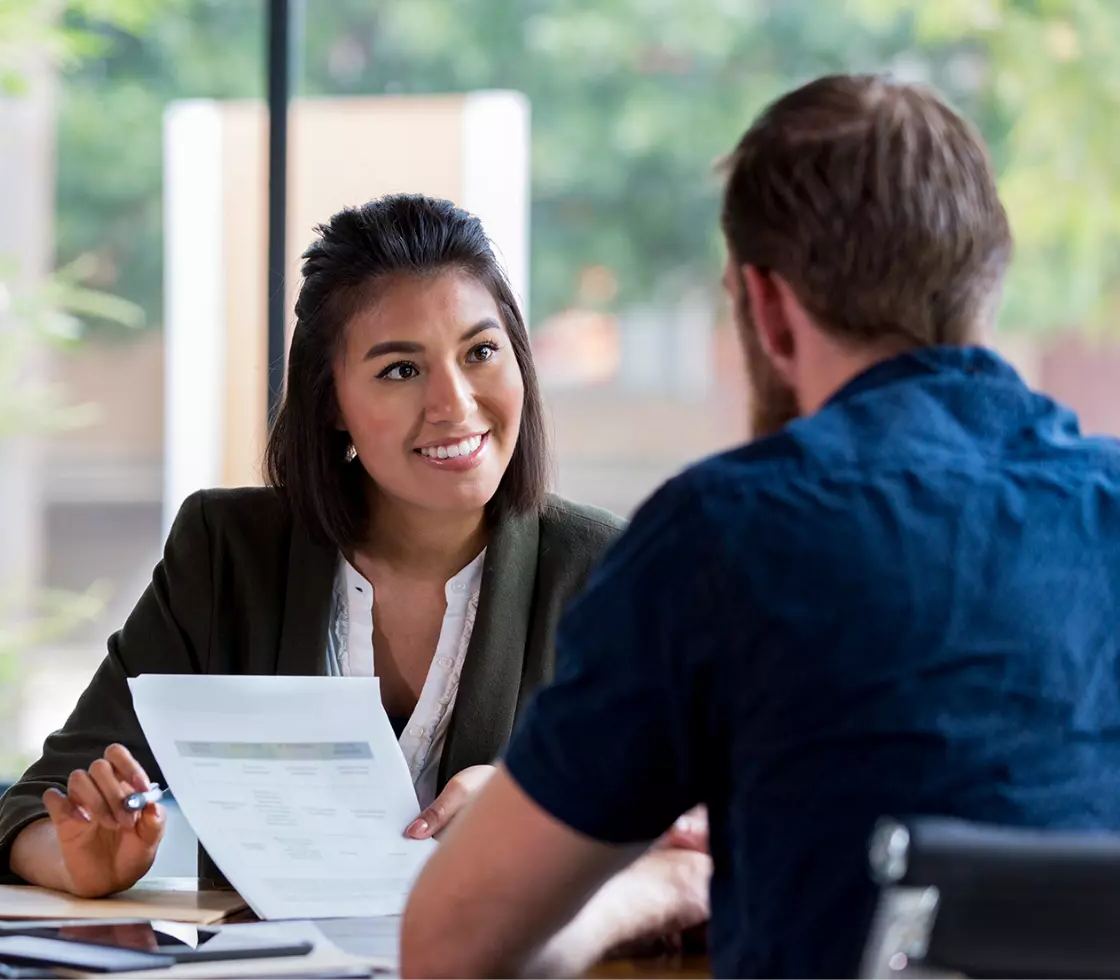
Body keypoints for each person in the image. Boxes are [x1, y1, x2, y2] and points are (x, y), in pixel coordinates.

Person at [401, 74, 1120, 980]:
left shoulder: (725, 536)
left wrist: (656, 889)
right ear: (988, 276)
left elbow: (448, 948)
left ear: (767, 307)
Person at [0, 194, 709, 950]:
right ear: (332, 402)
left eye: (481, 353)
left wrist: (542, 812)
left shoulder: (610, 573)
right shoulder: (228, 552)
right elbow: (39, 806)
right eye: (400, 369)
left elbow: (700, 831)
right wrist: (77, 861)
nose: (454, 404)